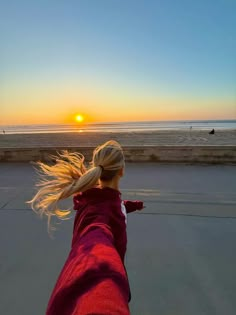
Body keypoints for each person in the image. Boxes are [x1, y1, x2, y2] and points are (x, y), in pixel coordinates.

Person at [29, 140, 144, 315]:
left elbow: (117, 206)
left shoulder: (95, 200)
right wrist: (102, 262)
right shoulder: (101, 216)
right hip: (108, 276)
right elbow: (97, 231)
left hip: (112, 276)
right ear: (122, 171)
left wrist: (134, 205)